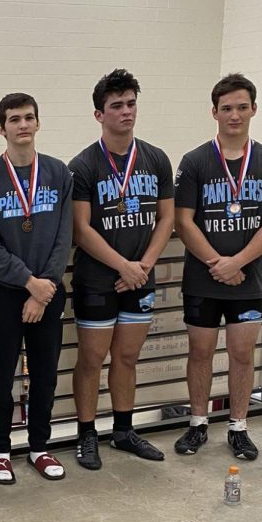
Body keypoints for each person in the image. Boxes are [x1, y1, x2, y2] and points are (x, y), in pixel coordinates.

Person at [173, 73, 262, 460]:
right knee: (200, 352)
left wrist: (237, 262)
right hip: (203, 280)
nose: (234, 115)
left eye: (241, 107)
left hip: (248, 279)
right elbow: (183, 221)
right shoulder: (195, 161)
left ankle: (238, 426)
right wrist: (215, 263)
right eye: (226, 108)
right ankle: (198, 423)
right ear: (214, 112)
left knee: (242, 353)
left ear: (254, 109)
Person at [69, 69, 174, 470]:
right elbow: (81, 228)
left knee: (127, 357)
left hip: (140, 276)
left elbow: (166, 219)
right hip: (98, 278)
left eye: (131, 104)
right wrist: (124, 266)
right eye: (116, 106)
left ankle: (124, 430)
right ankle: (86, 434)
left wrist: (143, 265)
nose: (126, 112)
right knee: (92, 360)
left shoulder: (156, 158)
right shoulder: (83, 165)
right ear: (99, 115)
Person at [0, 92, 73, 483]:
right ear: (2, 128)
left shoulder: (59, 173)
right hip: (9, 292)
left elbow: (65, 236)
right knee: (3, 373)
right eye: (14, 119)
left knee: (45, 373)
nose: (23, 125)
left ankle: (39, 447)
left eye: (29, 117)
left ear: (38, 123)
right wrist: (28, 283)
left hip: (49, 289)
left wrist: (43, 288)